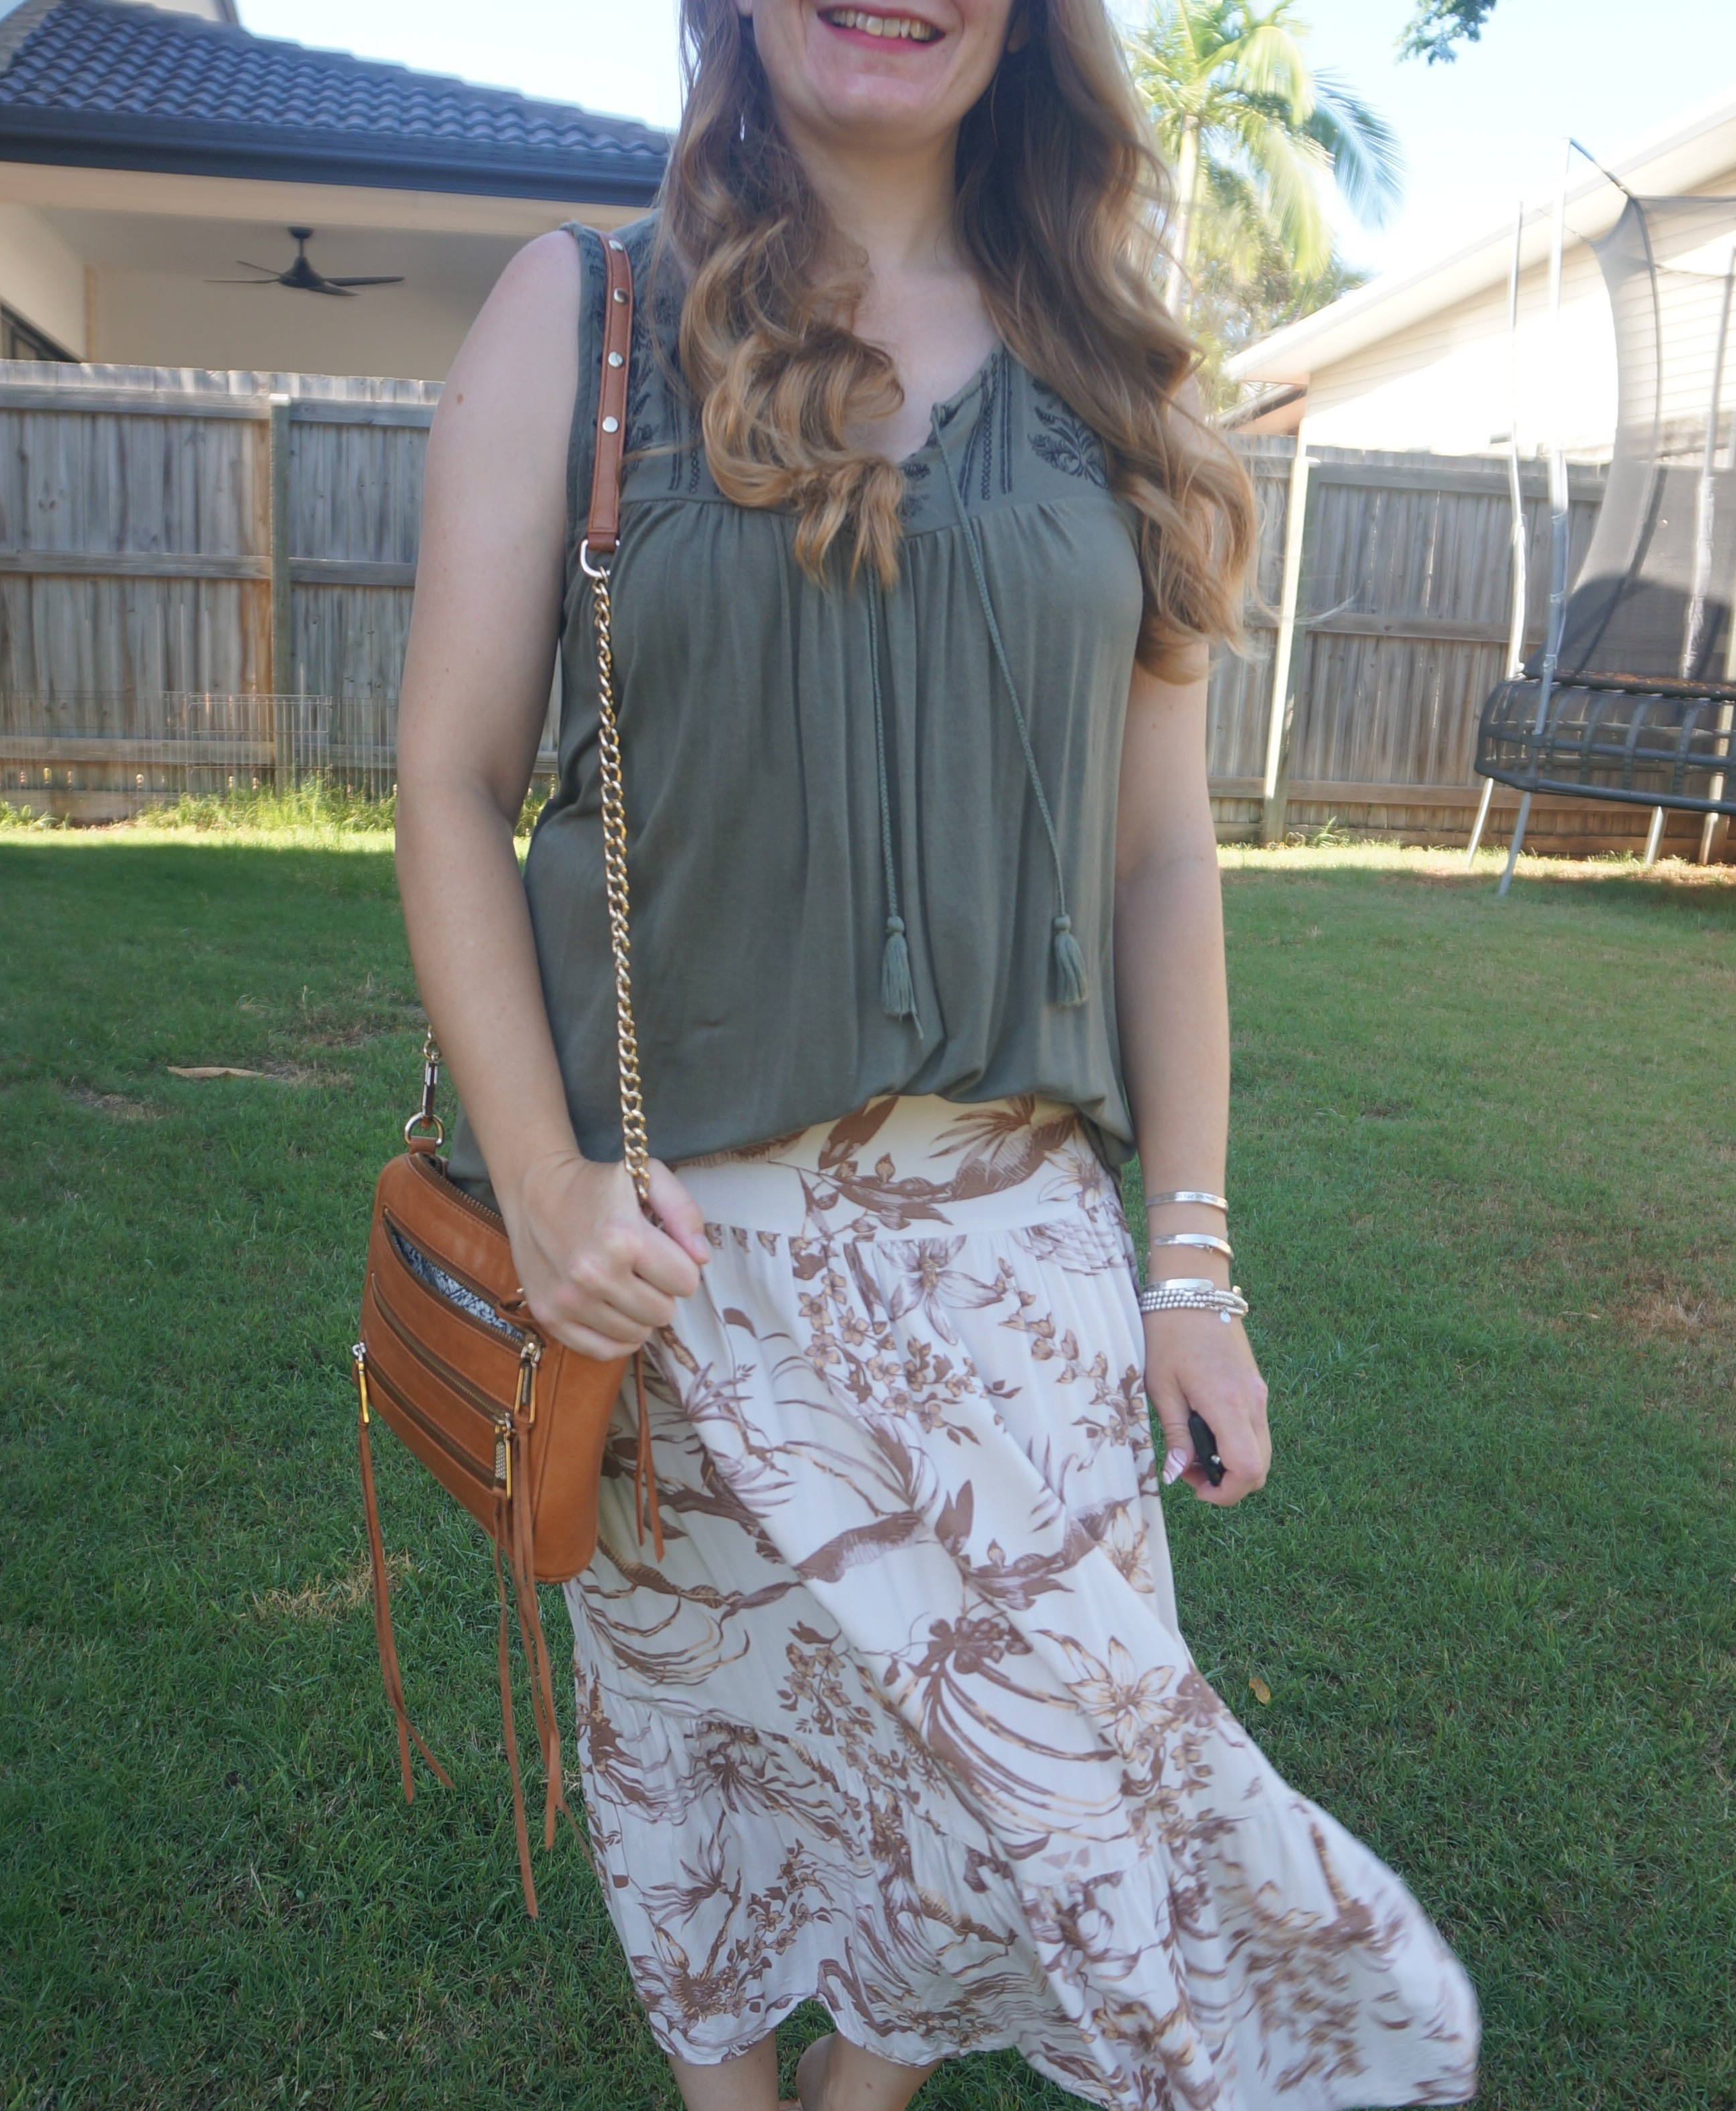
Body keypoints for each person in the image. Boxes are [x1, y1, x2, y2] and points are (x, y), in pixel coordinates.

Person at [394, 1, 1480, 2106]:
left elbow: (1166, 860)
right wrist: (538, 1187)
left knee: (1023, 1813)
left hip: (1017, 1273)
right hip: (678, 1274)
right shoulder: (588, 317)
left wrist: (1190, 1269)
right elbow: (448, 779)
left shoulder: (1110, 374)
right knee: (714, 1796)